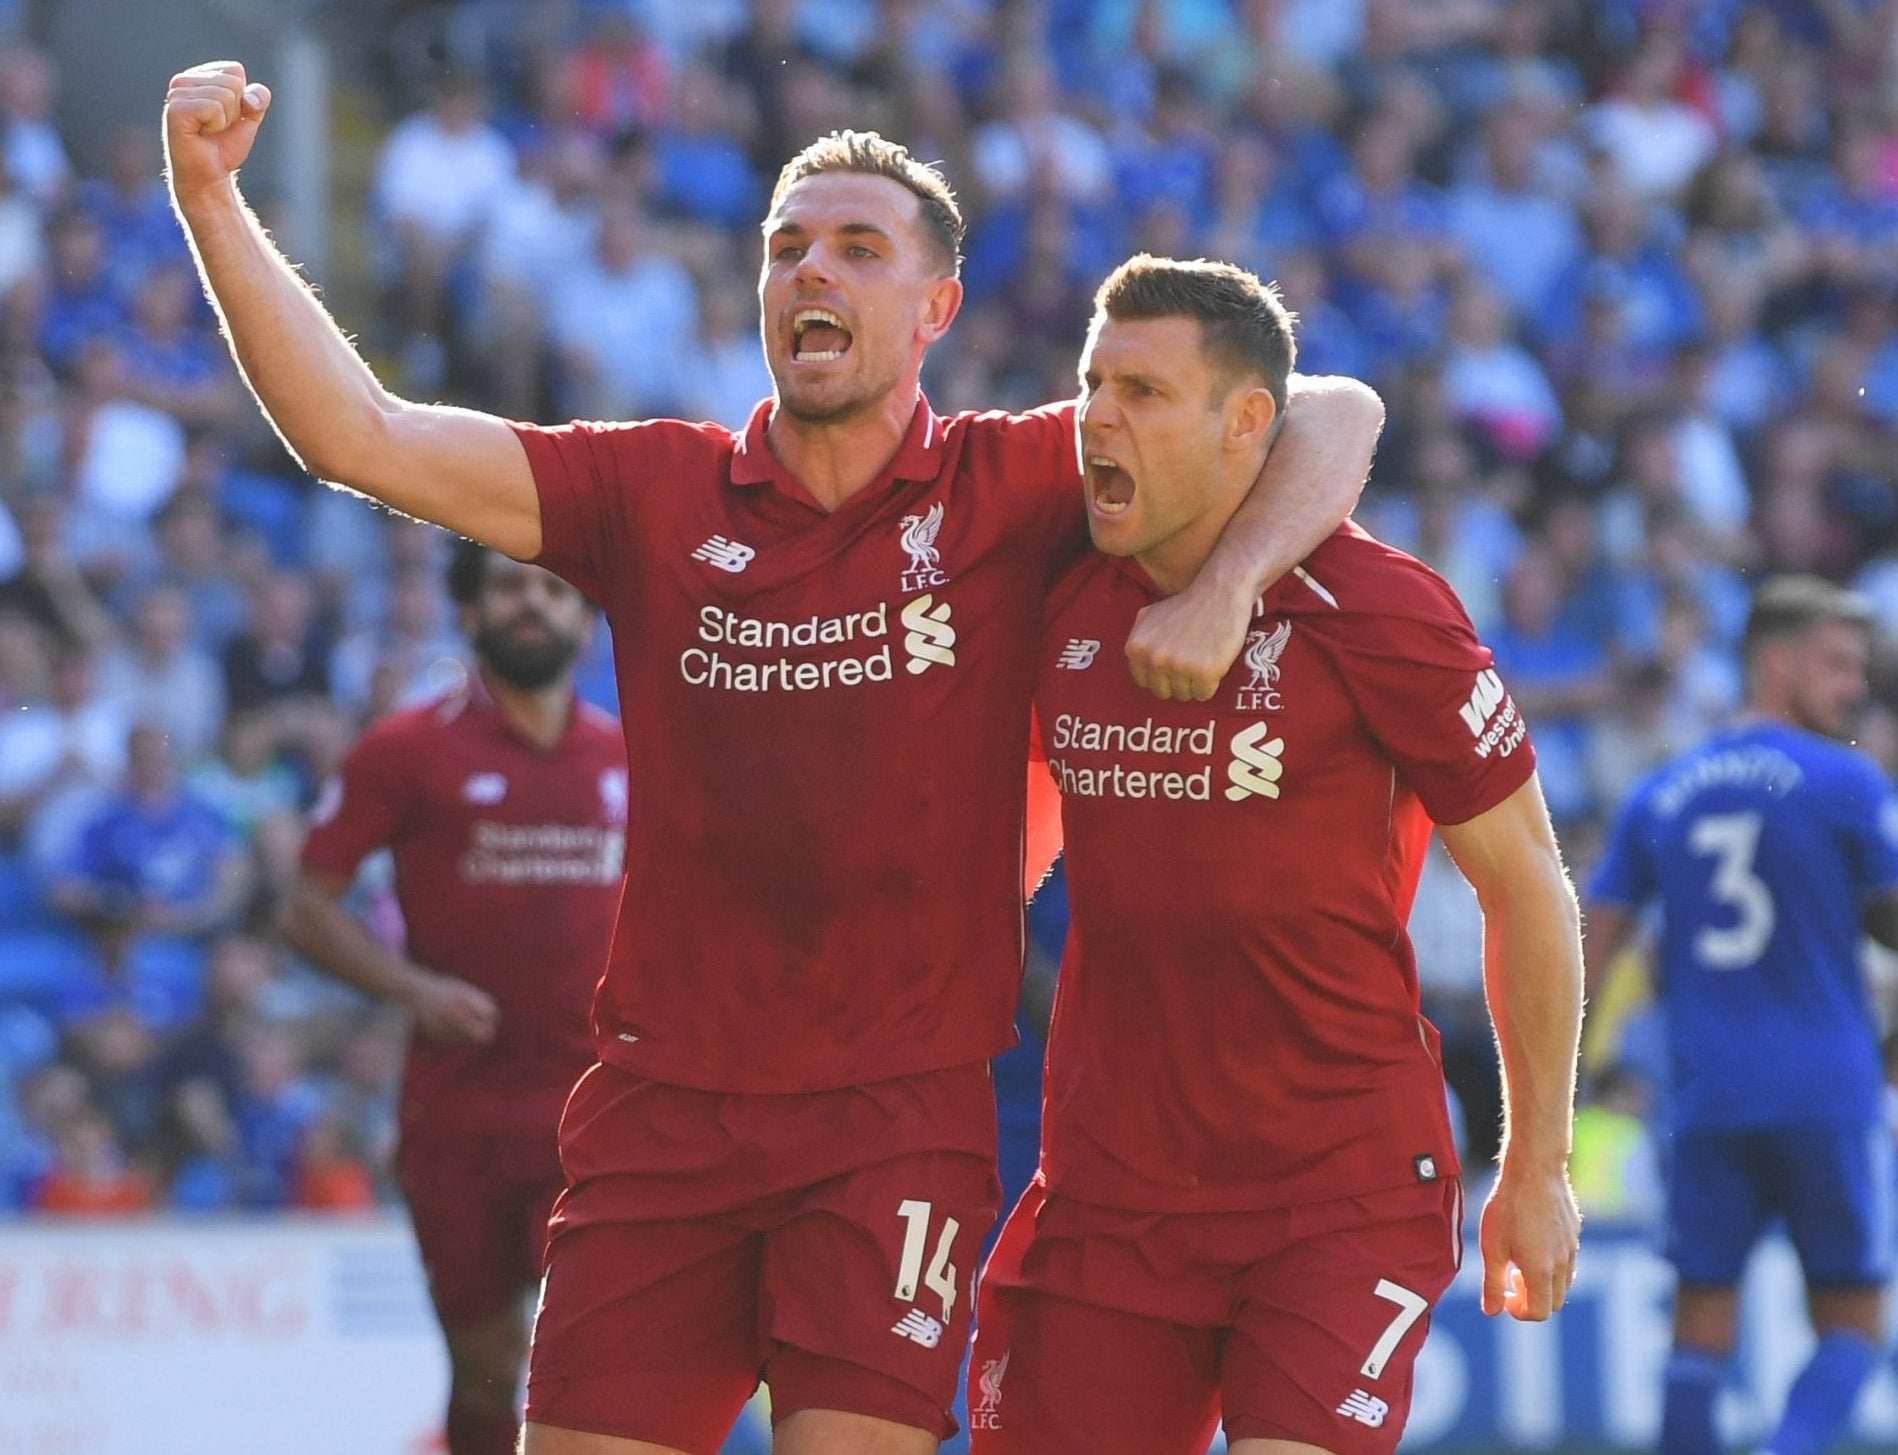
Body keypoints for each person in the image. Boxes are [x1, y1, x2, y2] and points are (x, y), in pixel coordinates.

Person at [163, 63, 1382, 1455]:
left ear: (937, 309)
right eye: (786, 247)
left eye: (861, 249)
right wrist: (210, 194)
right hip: (656, 1116)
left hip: (894, 1121)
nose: (814, 269)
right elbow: (355, 436)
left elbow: (1332, 410)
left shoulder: (1015, 478)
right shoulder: (652, 490)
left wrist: (1225, 589)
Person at [970, 256, 1585, 1455]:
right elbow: (1024, 825)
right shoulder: (1056, 593)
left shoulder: (1382, 612)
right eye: (1091, 383)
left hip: (1337, 1192)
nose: (1094, 415)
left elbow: (1524, 886)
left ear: (1246, 424)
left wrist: (1536, 1165)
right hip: (1107, 1190)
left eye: (1141, 392)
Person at [277, 542, 624, 1455]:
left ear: (586, 625)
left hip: (599, 1115)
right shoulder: (406, 750)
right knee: (483, 1364)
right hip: (459, 1114)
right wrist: (410, 987)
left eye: (555, 592)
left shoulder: (635, 758)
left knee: (600, 1363)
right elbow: (305, 909)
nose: (532, 607)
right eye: (509, 588)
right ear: (468, 614)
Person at [1582, 576, 1898, 1455]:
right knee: (1856, 1319)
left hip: (1706, 1096)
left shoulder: (1662, 790)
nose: (1856, 687)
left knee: (1701, 1324)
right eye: (1838, 665)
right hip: (1827, 1088)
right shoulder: (1849, 780)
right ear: (1774, 662)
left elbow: (1590, 947)